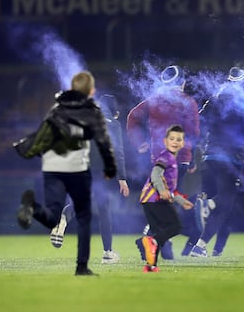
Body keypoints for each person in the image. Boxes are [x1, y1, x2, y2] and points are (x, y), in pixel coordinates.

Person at [16, 71, 117, 276]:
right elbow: (103, 142)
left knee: (53, 214)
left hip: (52, 166)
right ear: (92, 91)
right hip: (77, 168)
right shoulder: (92, 110)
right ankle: (81, 267)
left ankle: (33, 207)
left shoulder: (57, 107)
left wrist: (31, 151)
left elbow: (44, 133)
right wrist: (110, 167)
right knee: (84, 216)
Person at [127, 64, 200, 259]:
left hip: (157, 158)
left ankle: (160, 247)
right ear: (183, 82)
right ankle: (152, 242)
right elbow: (193, 132)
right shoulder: (187, 102)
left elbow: (132, 117)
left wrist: (139, 143)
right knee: (167, 204)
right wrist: (192, 158)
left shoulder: (154, 100)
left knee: (161, 201)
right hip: (180, 159)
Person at [189, 67, 244, 257]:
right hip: (230, 159)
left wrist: (201, 145)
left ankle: (202, 243)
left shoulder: (215, 98)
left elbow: (199, 120)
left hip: (210, 157)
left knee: (224, 205)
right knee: (226, 204)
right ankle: (201, 243)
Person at [138, 125, 194, 272]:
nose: (175, 142)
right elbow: (155, 174)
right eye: (172, 138)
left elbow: (171, 190)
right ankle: (153, 242)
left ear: (183, 143)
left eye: (178, 139)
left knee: (158, 233)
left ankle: (151, 265)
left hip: (147, 201)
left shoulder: (172, 160)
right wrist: (161, 190)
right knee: (175, 227)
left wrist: (181, 201)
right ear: (165, 141)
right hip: (155, 199)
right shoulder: (166, 157)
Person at [92, 94, 129, 264]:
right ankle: (107, 252)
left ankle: (64, 218)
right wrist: (122, 178)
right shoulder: (113, 124)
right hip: (103, 169)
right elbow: (119, 152)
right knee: (104, 209)